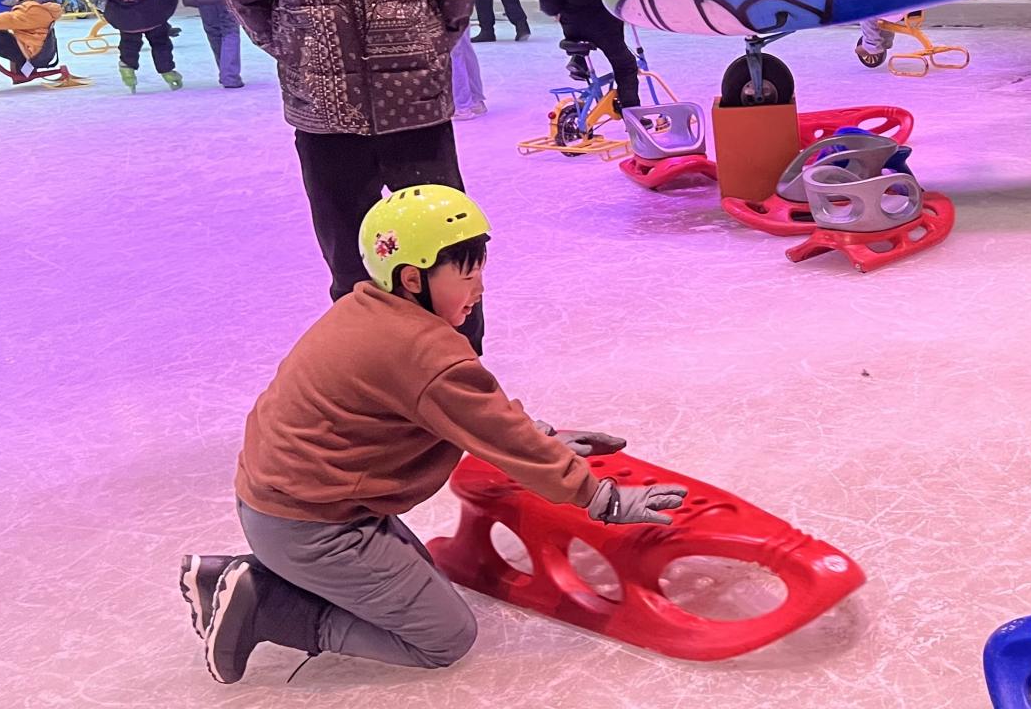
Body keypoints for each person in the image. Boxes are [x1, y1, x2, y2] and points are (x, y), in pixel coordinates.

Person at [179, 186, 687, 683]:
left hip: (288, 504)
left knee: (421, 591)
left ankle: (234, 579)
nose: (480, 289)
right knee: (443, 636)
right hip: (312, 525)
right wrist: (602, 498)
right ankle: (267, 607)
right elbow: (489, 426)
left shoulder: (365, 308)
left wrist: (540, 438)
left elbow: (476, 417)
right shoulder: (424, 352)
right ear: (411, 277)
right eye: (466, 274)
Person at [216, 0, 481, 349]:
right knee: (350, 262)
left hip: (415, 109)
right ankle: (370, 374)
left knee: (449, 251)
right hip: (325, 117)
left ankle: (461, 372)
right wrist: (297, 48)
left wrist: (427, 45)